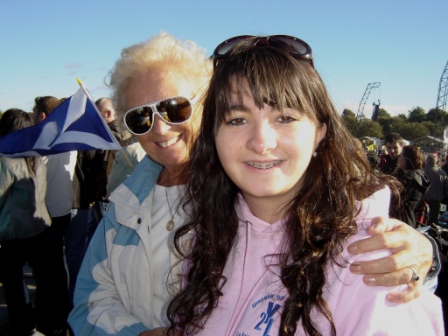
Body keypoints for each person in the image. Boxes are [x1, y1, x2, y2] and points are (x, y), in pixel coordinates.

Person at [69, 33, 437, 336]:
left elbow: (368, 258)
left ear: (206, 106)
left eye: (174, 108)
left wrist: (422, 253)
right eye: (140, 117)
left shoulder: (252, 193)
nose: (160, 128)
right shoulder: (129, 199)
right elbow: (87, 300)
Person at [0, 109, 52, 336]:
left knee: (13, 281)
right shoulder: (36, 155)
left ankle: (22, 324)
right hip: (39, 226)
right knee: (42, 277)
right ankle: (43, 321)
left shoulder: (5, 159)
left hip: (14, 231)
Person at [32, 96, 76, 335]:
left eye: (34, 112)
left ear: (42, 115)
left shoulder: (43, 141)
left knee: (46, 269)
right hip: (63, 209)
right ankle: (60, 313)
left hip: (45, 212)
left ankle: (48, 319)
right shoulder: (70, 139)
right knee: (58, 263)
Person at [391, 145, 430, 227]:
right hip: (402, 219)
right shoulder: (405, 175)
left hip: (402, 221)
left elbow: (397, 201)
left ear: (407, 159)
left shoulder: (412, 180)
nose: (398, 158)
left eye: (401, 155)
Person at [421, 154, 448, 225]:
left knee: (422, 221)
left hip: (423, 200)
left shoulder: (422, 172)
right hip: (436, 200)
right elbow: (446, 189)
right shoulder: (442, 173)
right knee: (433, 221)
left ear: (427, 160)